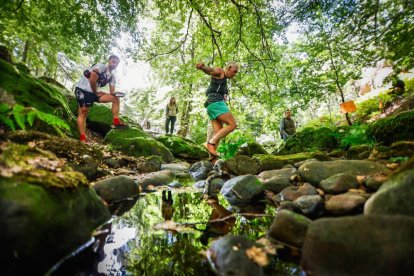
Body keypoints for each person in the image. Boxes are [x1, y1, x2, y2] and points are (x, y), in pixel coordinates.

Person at [74, 55, 127, 143]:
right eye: (114, 62)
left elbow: (112, 92)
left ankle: (116, 121)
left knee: (115, 99)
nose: (115, 64)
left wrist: (118, 94)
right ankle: (83, 138)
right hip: (83, 89)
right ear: (109, 61)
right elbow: (92, 80)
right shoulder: (100, 66)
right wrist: (96, 93)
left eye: (117, 63)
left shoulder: (112, 77)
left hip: (94, 92)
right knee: (83, 111)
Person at [195, 61, 239, 158]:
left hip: (211, 106)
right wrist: (203, 67)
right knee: (232, 124)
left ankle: (211, 159)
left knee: (218, 133)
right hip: (216, 103)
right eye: (235, 71)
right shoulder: (220, 71)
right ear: (229, 67)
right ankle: (209, 144)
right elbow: (211, 70)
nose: (235, 74)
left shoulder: (224, 79)